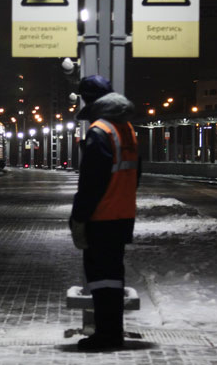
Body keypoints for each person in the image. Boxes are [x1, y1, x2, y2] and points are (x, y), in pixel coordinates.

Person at [69, 75, 141, 351]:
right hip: (122, 215)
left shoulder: (100, 131)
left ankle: (106, 336)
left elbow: (91, 184)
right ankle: (112, 331)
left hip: (102, 217)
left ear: (89, 102)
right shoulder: (127, 129)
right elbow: (135, 176)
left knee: (100, 279)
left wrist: (78, 218)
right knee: (114, 277)